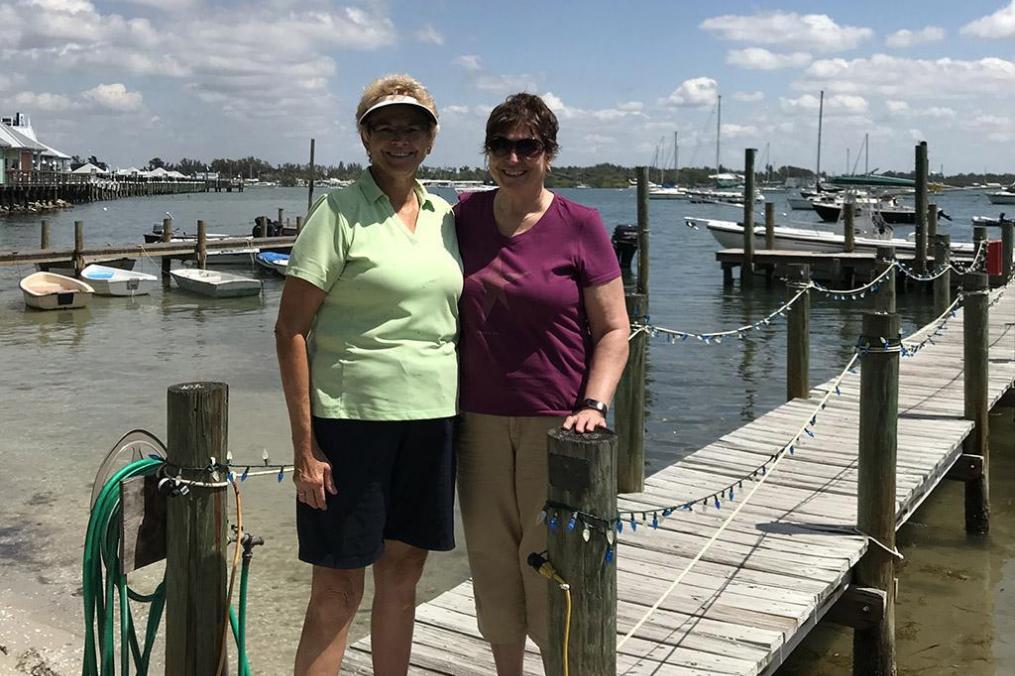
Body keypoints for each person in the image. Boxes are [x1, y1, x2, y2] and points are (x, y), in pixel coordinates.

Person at [275, 74, 462, 676]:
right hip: (351, 426)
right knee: (337, 588)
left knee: (403, 579)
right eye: (386, 127)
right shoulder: (337, 213)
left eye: (414, 128)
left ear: (432, 139)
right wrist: (305, 448)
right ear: (364, 136)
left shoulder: (445, 215)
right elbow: (291, 331)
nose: (400, 140)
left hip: (431, 421)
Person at [453, 93, 630, 675]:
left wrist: (595, 404)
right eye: (501, 145)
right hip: (475, 420)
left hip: (554, 423)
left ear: (548, 153)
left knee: (552, 563)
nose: (512, 157)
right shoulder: (464, 218)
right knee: (491, 560)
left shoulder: (580, 224)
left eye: (526, 145)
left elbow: (612, 330)